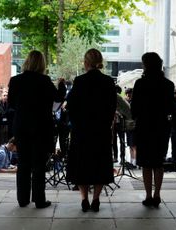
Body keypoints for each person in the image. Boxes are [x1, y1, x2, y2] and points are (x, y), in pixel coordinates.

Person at [8, 50, 66, 209]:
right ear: (41, 64)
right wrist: (62, 85)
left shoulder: (15, 80)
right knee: (39, 164)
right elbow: (58, 99)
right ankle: (39, 200)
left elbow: (11, 104)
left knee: (23, 163)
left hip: (21, 126)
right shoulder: (44, 80)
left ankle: (22, 199)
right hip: (41, 127)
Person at [66, 48, 117, 212]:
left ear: (85, 62)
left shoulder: (79, 81)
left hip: (82, 130)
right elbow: (112, 107)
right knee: (100, 163)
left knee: (82, 163)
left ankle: (84, 198)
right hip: (101, 130)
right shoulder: (108, 81)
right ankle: (96, 198)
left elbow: (71, 106)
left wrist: (75, 124)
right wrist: (107, 124)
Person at [131, 52, 174, 208]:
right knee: (158, 163)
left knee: (146, 164)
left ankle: (148, 195)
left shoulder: (140, 84)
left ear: (146, 65)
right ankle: (157, 195)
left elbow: (134, 110)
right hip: (161, 127)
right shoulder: (168, 84)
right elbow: (170, 108)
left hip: (144, 127)